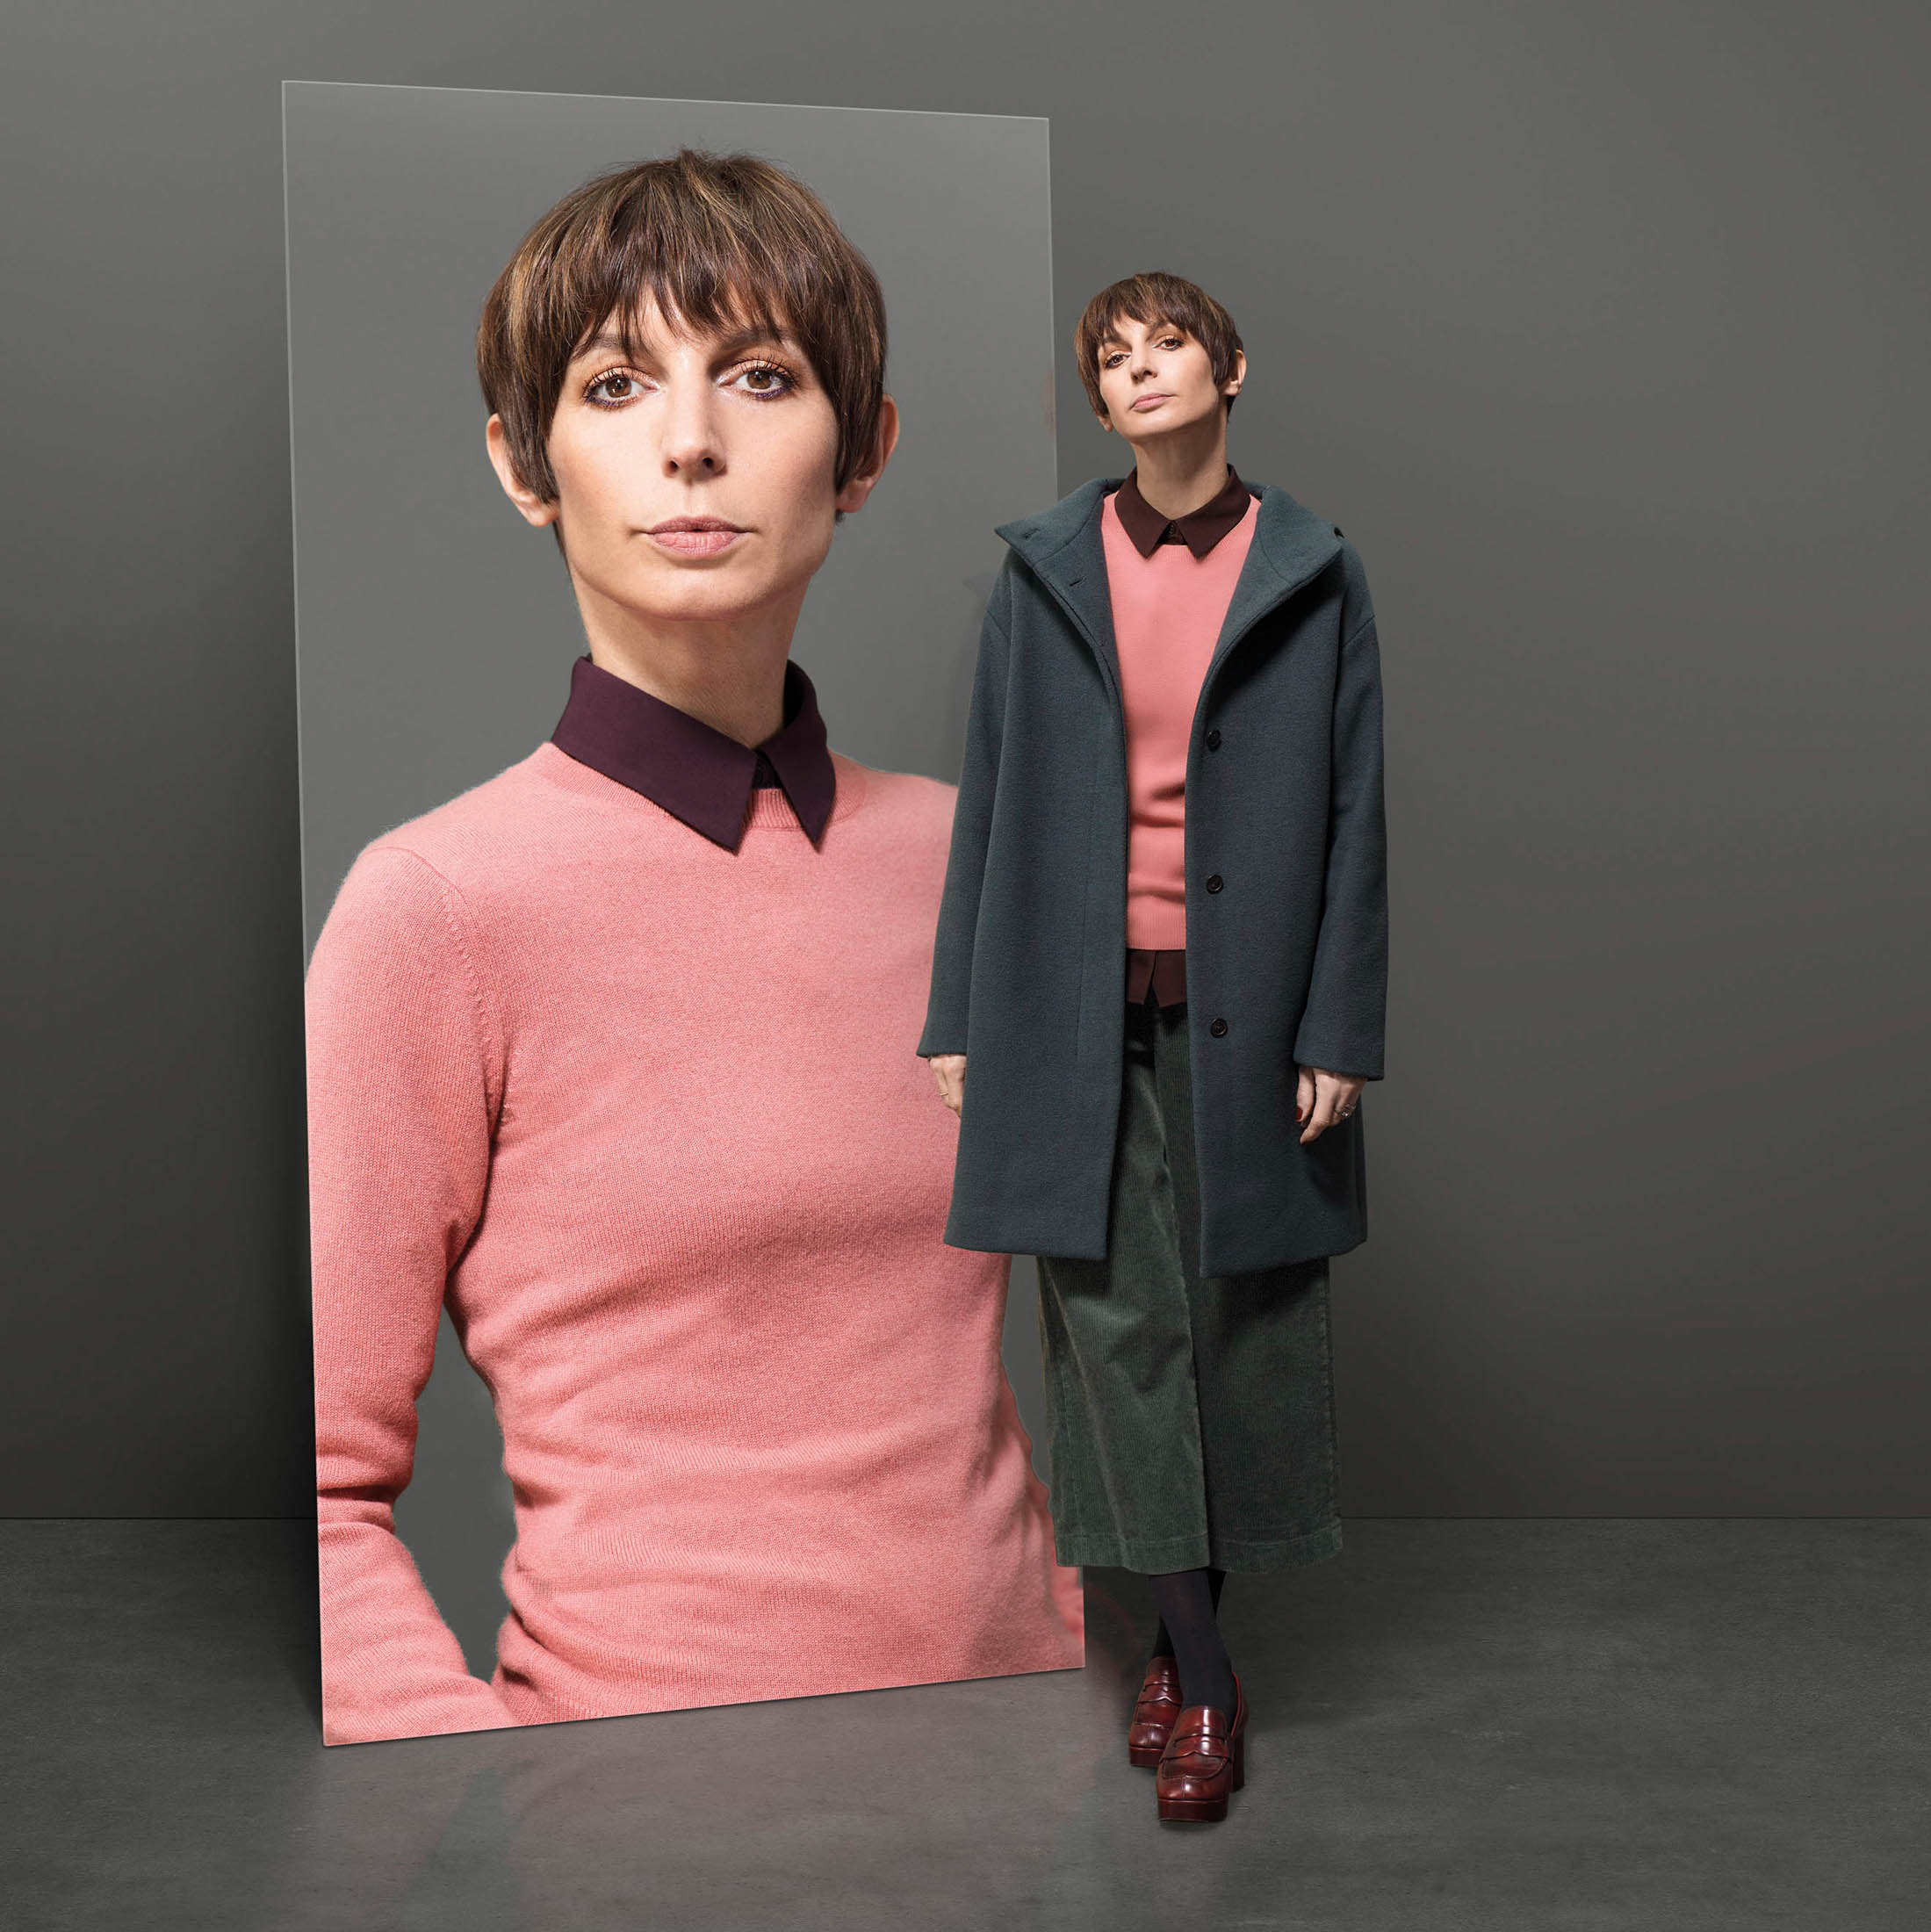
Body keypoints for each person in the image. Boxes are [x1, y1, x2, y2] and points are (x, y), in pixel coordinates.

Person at [305, 149, 1083, 1746]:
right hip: (632, 1834)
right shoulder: (434, 908)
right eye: (613, 385)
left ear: (862, 449)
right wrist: (477, 1806)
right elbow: (311, 1499)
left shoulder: (978, 862)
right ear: (527, 465)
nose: (692, 442)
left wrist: (1098, 1669)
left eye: (760, 374)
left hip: (1028, 1801)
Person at [920, 271, 1388, 1823]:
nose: (1140, 373)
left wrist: (1341, 1023)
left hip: (1251, 1013)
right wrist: (955, 1012)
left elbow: (1353, 816)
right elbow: (986, 798)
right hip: (1068, 1009)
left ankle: (1194, 1657)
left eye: (1166, 343)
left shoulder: (1316, 571)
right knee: (1112, 1330)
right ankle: (1201, 1671)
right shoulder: (1044, 572)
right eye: (1110, 360)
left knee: (1245, 1324)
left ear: (1232, 364)